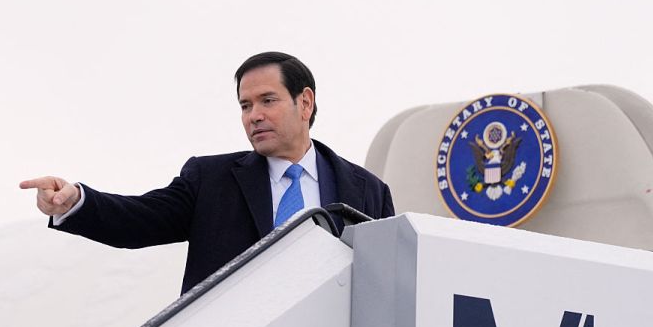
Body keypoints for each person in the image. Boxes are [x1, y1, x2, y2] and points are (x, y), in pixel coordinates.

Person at [20, 52, 394, 294]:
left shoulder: (368, 191)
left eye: (267, 101)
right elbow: (139, 219)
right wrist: (76, 201)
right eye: (245, 105)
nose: (254, 116)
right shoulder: (210, 179)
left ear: (305, 102)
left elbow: (385, 286)